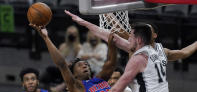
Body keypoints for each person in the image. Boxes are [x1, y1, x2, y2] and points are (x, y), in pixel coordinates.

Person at [30, 24, 128, 92]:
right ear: (74, 74)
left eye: (86, 64)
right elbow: (61, 64)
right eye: (80, 65)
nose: (84, 65)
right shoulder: (78, 87)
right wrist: (46, 37)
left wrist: (111, 44)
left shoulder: (99, 79)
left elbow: (111, 63)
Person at [88, 23, 175, 92]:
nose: (128, 39)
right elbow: (185, 52)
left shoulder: (139, 56)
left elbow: (115, 91)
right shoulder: (159, 53)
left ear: (139, 40)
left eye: (130, 36)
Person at [64, 10, 197, 63]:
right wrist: (104, 11)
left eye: (147, 30)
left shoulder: (163, 51)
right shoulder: (135, 46)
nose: (142, 32)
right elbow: (118, 28)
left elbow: (183, 52)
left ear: (155, 35)